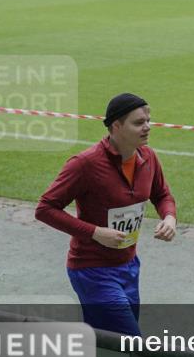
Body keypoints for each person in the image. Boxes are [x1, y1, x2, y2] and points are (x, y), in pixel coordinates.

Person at [36, 93, 177, 336]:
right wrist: (95, 233)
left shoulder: (148, 157)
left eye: (148, 120)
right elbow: (45, 209)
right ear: (116, 126)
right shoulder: (85, 164)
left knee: (112, 346)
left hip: (129, 266)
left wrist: (169, 217)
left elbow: (162, 194)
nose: (147, 127)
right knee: (132, 344)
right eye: (138, 122)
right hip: (92, 271)